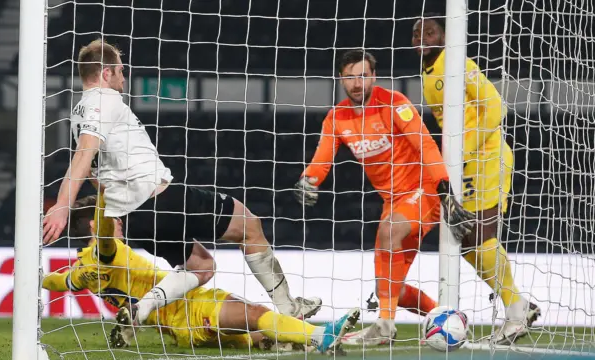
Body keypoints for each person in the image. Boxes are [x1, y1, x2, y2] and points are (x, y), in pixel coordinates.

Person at [42, 39, 321, 324]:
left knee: (202, 266)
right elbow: (83, 156)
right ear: (106, 73)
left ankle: (142, 307)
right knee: (250, 225)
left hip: (135, 219)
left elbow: (93, 173)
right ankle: (289, 308)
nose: (124, 78)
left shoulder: (78, 114)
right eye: (121, 71)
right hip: (159, 200)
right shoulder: (104, 101)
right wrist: (63, 205)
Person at [294, 49, 474, 345]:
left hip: (424, 191)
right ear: (341, 79)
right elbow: (322, 157)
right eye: (350, 77)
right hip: (394, 203)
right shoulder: (337, 117)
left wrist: (446, 194)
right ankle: (450, 318)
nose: (356, 83)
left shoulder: (395, 104)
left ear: (373, 77)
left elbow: (427, 147)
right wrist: (308, 179)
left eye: (363, 76)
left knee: (389, 231)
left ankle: (385, 327)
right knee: (390, 290)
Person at [42, 195, 359, 353]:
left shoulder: (83, 268)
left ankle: (293, 339)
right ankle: (321, 337)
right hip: (192, 309)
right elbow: (108, 237)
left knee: (256, 333)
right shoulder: (110, 250)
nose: (121, 221)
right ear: (99, 224)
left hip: (180, 326)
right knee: (256, 312)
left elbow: (59, 281)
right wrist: (104, 189)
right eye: (114, 218)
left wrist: (35, 277)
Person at [411, 13, 541, 344]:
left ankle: (515, 312)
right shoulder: (428, 74)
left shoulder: (458, 62)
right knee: (465, 239)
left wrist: (463, 151)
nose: (422, 37)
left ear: (444, 35)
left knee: (480, 232)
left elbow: (496, 107)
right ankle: (517, 303)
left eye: (430, 31)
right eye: (416, 33)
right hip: (468, 164)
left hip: (488, 157)